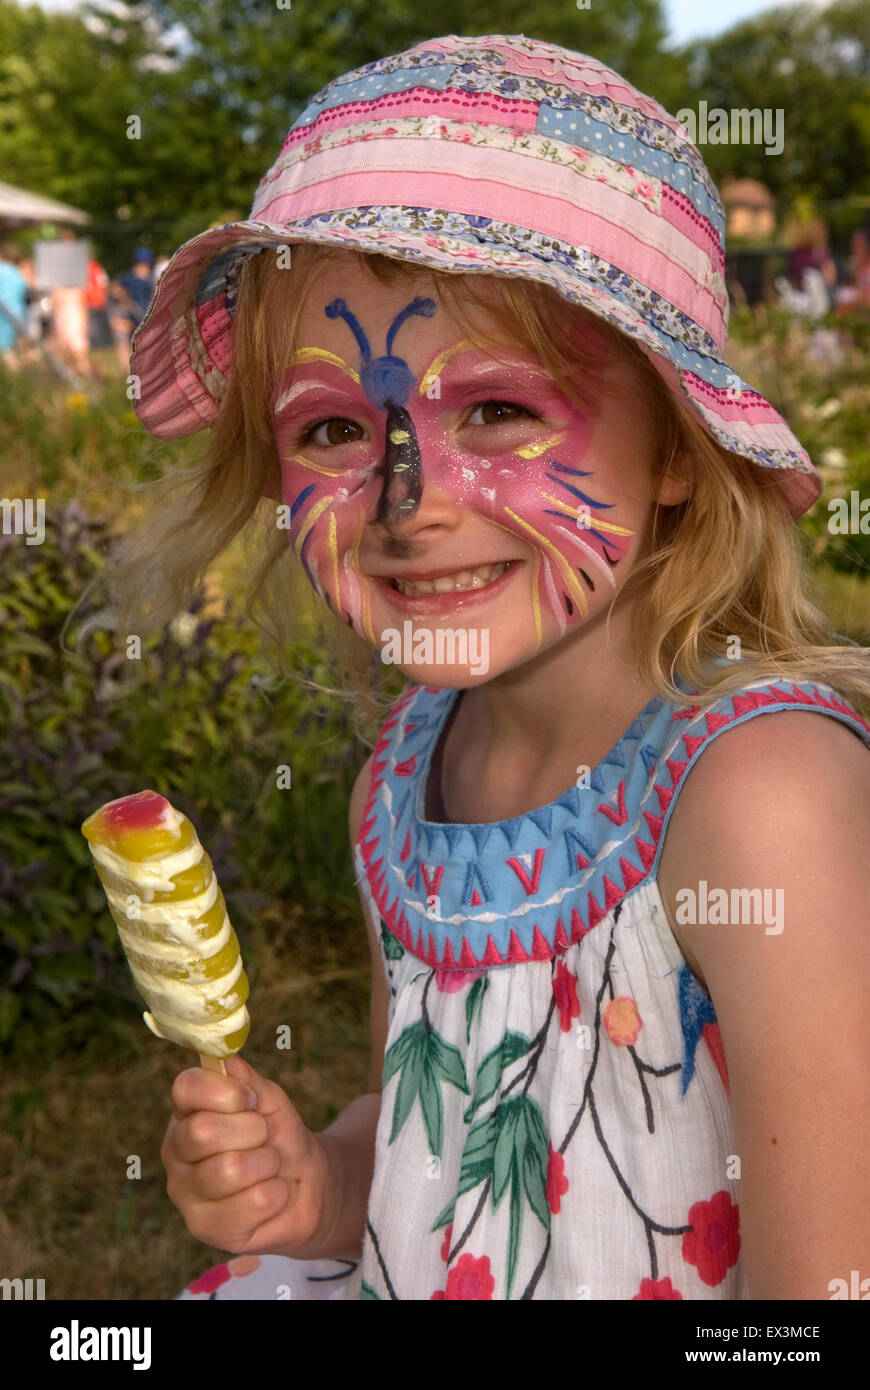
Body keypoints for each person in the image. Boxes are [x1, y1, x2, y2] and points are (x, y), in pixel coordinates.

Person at [110, 36, 870, 1301]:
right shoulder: (403, 777)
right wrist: (320, 1183)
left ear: (680, 448)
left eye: (499, 412)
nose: (409, 500)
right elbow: (430, 1149)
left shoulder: (758, 798)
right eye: (339, 430)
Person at [107, 246, 155, 372]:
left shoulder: (151, 280)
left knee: (143, 345)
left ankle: (142, 369)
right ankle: (125, 370)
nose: (142, 268)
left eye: (144, 264)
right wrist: (120, 293)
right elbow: (113, 289)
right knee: (122, 341)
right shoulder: (127, 278)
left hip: (143, 316)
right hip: (126, 315)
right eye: (140, 264)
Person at [0, 240, 30, 369]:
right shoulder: (16, 272)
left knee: (4, 349)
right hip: (17, 314)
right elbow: (25, 291)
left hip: (3, 316)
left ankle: (16, 377)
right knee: (9, 348)